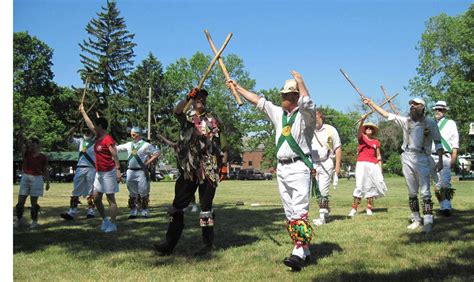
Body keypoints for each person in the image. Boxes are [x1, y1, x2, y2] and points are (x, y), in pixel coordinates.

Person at [226, 71, 316, 271]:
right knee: (290, 211)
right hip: (282, 168)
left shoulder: (306, 116)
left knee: (300, 209)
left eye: (288, 94)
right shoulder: (278, 113)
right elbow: (257, 100)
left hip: (300, 166)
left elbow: (308, 102)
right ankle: (306, 251)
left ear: (296, 97)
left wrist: (301, 81)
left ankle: (298, 252)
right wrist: (236, 86)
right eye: (283, 94)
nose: (283, 97)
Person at [154, 88, 227, 256]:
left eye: (203, 97)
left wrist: (223, 166)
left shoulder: (212, 118)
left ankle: (207, 244)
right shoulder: (186, 116)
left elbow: (223, 144)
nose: (200, 99)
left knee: (206, 207)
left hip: (209, 166)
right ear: (193, 100)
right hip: (189, 168)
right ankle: (169, 243)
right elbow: (177, 110)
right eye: (197, 97)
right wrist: (187, 98)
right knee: (178, 204)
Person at [363, 97, 443, 233]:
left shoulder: (430, 123)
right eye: (411, 104)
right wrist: (371, 103)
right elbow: (386, 114)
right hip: (407, 156)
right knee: (412, 191)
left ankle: (428, 219)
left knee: (425, 190)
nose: (412, 106)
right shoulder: (406, 121)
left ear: (423, 107)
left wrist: (440, 160)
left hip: (423, 157)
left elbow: (438, 142)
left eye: (416, 104)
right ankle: (416, 218)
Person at [79, 104, 121, 233]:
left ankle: (113, 225)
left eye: (96, 126)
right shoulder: (98, 137)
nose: (93, 128)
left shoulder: (107, 139)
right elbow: (89, 123)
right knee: (96, 198)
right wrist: (83, 112)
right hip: (99, 173)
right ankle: (105, 220)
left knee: (110, 199)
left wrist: (118, 170)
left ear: (101, 126)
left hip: (109, 173)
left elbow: (115, 154)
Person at [117, 127, 160, 218]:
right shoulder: (128, 144)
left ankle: (144, 211)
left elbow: (157, 153)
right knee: (132, 192)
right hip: (130, 171)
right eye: (131, 134)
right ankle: (133, 211)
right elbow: (117, 148)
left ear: (138, 134)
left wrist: (147, 162)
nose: (131, 136)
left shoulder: (146, 145)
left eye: (133, 134)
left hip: (141, 172)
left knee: (143, 191)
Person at [348, 118, 387, 217]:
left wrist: (380, 169)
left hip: (373, 165)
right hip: (361, 163)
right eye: (367, 127)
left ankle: (369, 208)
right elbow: (359, 131)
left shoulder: (376, 142)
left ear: (373, 130)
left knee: (371, 186)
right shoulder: (362, 138)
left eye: (371, 128)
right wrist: (362, 121)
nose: (369, 128)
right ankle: (354, 208)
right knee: (359, 185)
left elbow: (378, 156)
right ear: (364, 129)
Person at [311, 110, 342, 225]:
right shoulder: (308, 130)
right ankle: (325, 210)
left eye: (316, 117)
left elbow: (338, 148)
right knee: (317, 190)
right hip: (313, 163)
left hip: (326, 162)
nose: (314, 120)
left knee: (323, 190)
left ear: (321, 117)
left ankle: (322, 218)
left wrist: (337, 168)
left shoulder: (330, 130)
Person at [60, 128, 97, 220]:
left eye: (88, 131)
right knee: (76, 190)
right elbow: (70, 140)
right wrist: (71, 131)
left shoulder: (96, 142)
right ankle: (71, 213)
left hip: (91, 169)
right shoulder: (80, 141)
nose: (86, 133)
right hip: (80, 168)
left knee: (91, 190)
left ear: (92, 133)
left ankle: (91, 212)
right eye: (84, 131)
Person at [15, 136, 50, 229]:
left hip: (37, 179)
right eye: (29, 143)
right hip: (26, 177)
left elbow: (45, 169)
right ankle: (19, 221)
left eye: (32, 143)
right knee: (20, 202)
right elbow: (20, 146)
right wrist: (20, 136)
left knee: (34, 203)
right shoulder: (27, 153)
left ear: (37, 144)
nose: (30, 145)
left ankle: (34, 222)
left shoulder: (43, 157)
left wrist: (47, 182)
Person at [431, 101, 459, 216]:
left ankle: (446, 207)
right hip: (432, 156)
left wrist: (454, 156)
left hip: (446, 156)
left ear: (445, 111)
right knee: (437, 185)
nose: (438, 111)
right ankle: (442, 204)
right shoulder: (431, 123)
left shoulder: (450, 123)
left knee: (446, 183)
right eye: (437, 109)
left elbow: (455, 140)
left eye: (441, 109)